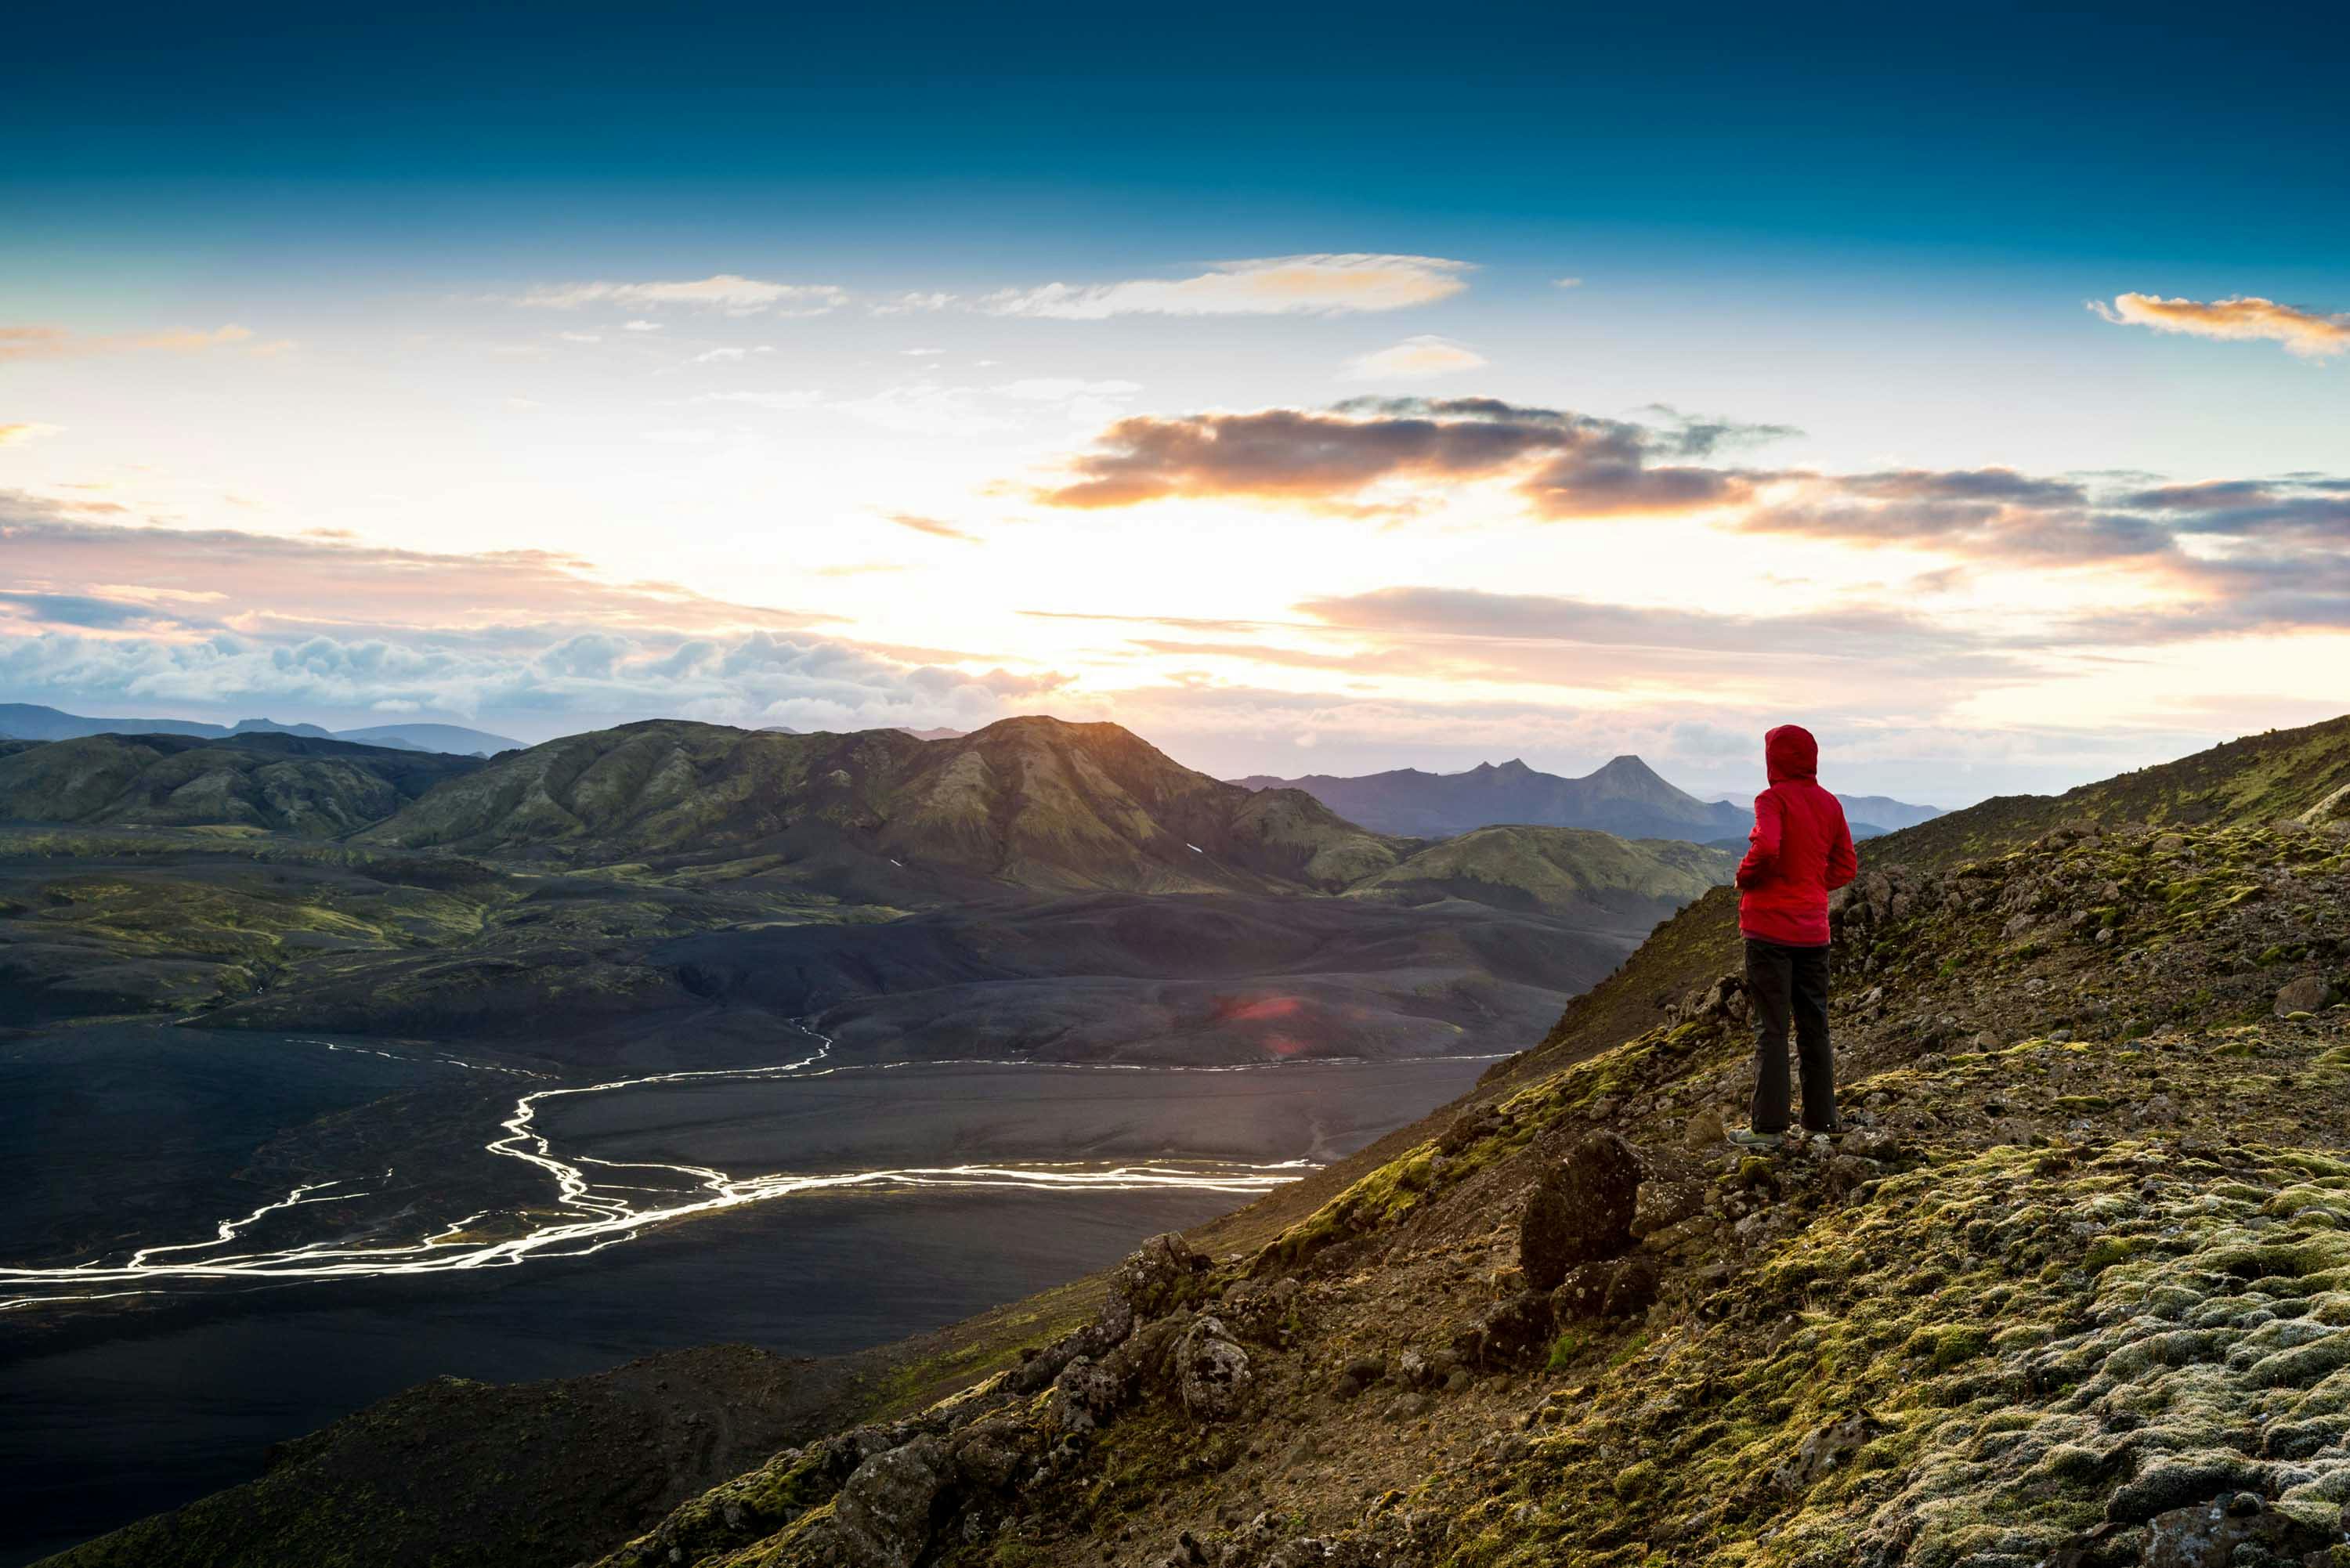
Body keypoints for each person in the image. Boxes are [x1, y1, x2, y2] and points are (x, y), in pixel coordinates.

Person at [1728, 724, 1858, 1148]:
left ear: (1774, 759)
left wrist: (1746, 876)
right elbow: (1846, 867)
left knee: (1772, 1028)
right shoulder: (1829, 804)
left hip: (1768, 931)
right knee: (1814, 1025)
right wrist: (1811, 884)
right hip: (1812, 932)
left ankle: (1768, 1128)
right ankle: (1821, 1122)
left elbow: (1767, 847)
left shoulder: (1772, 799)